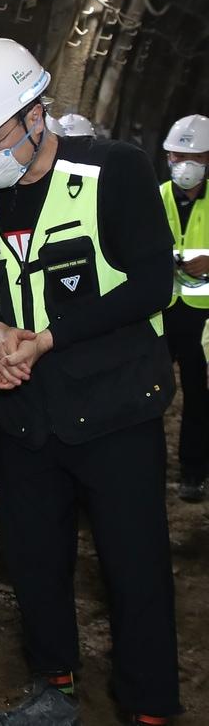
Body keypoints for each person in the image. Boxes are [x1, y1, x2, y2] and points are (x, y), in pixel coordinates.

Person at [0, 36, 180, 726]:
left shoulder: (117, 172)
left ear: (36, 115)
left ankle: (149, 705)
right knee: (34, 560)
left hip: (114, 411)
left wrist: (48, 338)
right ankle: (54, 686)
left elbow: (150, 283)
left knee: (132, 566)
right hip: (27, 415)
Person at [160, 114, 209, 502]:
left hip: (203, 315)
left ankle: (193, 472)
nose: (183, 165)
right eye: (176, 156)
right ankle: (150, 468)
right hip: (162, 308)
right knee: (152, 392)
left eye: (192, 156)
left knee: (199, 395)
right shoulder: (156, 196)